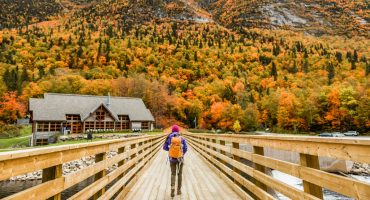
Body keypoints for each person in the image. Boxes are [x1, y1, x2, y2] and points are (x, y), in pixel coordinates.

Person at [163, 125, 188, 197]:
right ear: (178, 131)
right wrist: (181, 154)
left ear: (172, 130)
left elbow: (164, 147)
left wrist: (171, 150)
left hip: (172, 159)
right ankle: (179, 190)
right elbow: (186, 148)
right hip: (180, 159)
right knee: (179, 174)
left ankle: (172, 189)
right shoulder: (181, 138)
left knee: (173, 173)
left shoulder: (169, 137)